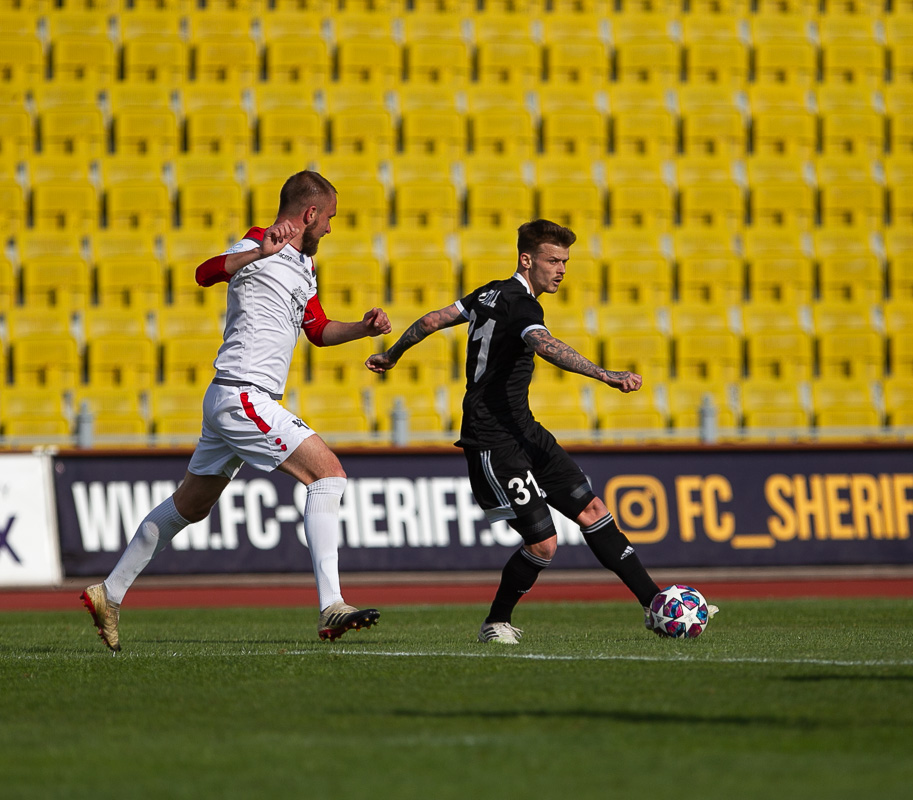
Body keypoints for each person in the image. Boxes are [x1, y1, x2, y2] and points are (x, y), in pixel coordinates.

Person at [82, 171, 392, 652]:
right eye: (329, 218)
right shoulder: (258, 243)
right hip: (244, 394)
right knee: (328, 475)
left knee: (191, 505)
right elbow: (204, 273)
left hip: (232, 398)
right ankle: (332, 604)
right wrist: (259, 253)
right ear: (310, 213)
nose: (331, 227)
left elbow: (317, 329)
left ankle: (109, 592)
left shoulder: (305, 266)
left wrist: (362, 330)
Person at [368, 219, 696, 643]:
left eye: (565, 262)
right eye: (553, 261)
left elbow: (433, 320)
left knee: (593, 510)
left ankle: (655, 604)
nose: (561, 270)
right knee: (544, 544)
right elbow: (543, 344)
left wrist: (393, 354)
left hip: (524, 430)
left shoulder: (489, 292)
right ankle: (495, 622)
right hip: (492, 439)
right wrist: (605, 374)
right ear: (527, 260)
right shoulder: (523, 305)